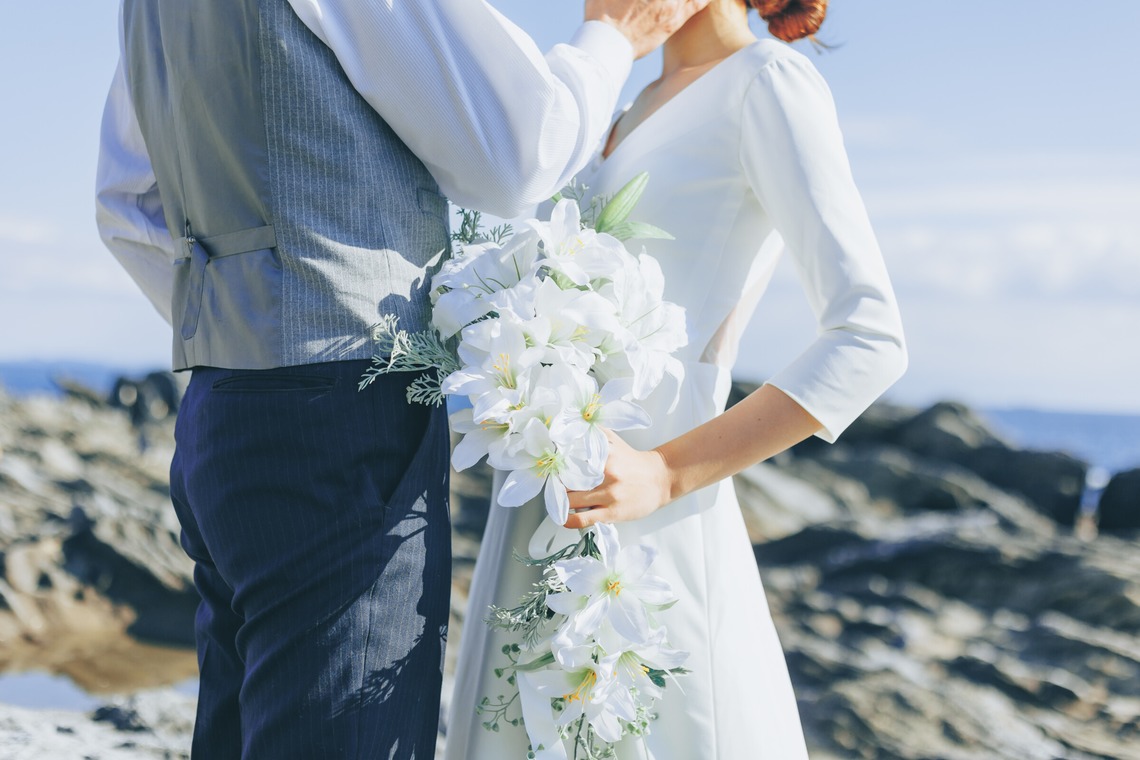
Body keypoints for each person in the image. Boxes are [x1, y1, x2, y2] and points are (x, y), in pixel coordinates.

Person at [95, 0, 712, 757]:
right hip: (343, 415)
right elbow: (519, 151)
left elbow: (128, 204)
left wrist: (250, 324)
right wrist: (613, 35)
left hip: (219, 406)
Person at [447, 0, 908, 757]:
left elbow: (871, 337)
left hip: (651, 510)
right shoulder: (619, 106)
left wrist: (665, 472)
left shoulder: (767, 83)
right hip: (547, 491)